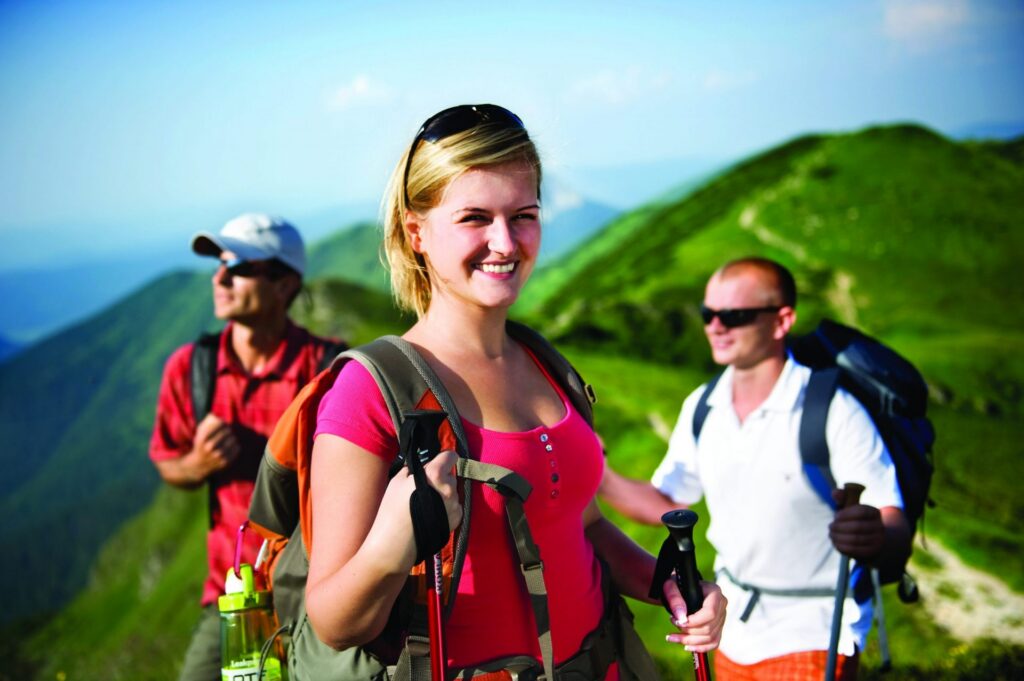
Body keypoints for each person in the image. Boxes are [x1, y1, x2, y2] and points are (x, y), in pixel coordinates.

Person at [304, 104, 726, 679]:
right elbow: (333, 622)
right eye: (475, 218)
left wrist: (672, 584)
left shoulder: (545, 363)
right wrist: (390, 544)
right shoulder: (371, 391)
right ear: (416, 232)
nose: (504, 242)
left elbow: (584, 527)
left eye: (523, 215)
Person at [599, 257, 911, 680]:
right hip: (731, 629)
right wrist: (592, 471)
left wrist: (875, 534)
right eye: (708, 313)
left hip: (815, 630)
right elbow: (667, 503)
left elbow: (892, 518)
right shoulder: (703, 405)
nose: (715, 326)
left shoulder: (833, 408)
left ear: (782, 321)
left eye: (734, 316)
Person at [149, 213, 341, 681]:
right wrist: (197, 464)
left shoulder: (329, 372)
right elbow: (168, 462)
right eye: (219, 264)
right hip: (232, 596)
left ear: (283, 285)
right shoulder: (190, 369)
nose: (219, 278)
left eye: (237, 266)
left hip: (314, 594)